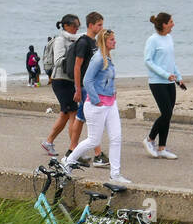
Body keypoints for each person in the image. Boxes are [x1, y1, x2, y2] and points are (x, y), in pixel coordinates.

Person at [62, 29, 129, 185]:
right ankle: (68, 162)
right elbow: (87, 80)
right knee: (93, 140)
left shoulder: (108, 58)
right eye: (112, 39)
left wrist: (113, 92)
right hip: (96, 106)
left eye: (114, 39)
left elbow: (106, 80)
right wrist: (96, 100)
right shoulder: (98, 58)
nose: (115, 41)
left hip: (111, 104)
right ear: (105, 42)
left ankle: (115, 174)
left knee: (116, 137)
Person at [68, 12, 107, 167]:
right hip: (85, 86)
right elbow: (77, 67)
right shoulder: (84, 42)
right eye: (99, 25)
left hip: (92, 86)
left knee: (81, 117)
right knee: (90, 119)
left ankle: (72, 150)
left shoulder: (95, 42)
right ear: (90, 25)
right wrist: (78, 89)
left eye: (102, 24)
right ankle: (97, 154)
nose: (101, 28)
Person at [143, 12, 184, 160]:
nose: (173, 24)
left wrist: (178, 78)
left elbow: (171, 61)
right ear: (164, 24)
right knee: (166, 113)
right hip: (157, 82)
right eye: (171, 22)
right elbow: (148, 61)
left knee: (168, 115)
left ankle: (162, 148)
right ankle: (149, 139)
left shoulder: (169, 38)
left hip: (170, 82)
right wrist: (165, 74)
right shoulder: (152, 40)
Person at [40, 15, 81, 157]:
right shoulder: (60, 40)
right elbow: (58, 61)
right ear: (66, 26)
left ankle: (48, 142)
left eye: (78, 26)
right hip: (60, 81)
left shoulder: (73, 39)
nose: (77, 29)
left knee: (65, 114)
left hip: (69, 80)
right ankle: (74, 149)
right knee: (73, 114)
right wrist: (74, 59)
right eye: (75, 26)